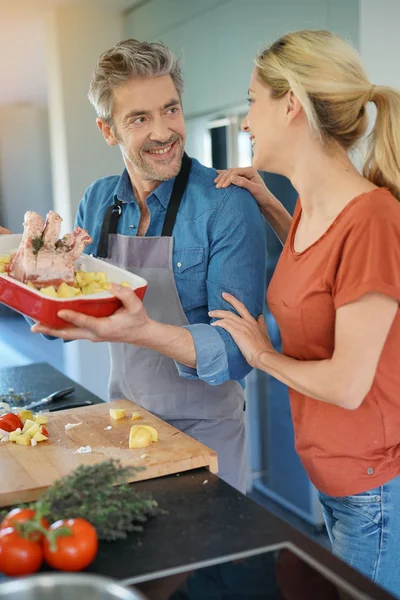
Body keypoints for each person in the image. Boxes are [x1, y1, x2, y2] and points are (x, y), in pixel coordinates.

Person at [211, 29, 400, 597]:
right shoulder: (312, 207)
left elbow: (346, 385)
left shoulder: (371, 219)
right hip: (338, 483)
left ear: (290, 103)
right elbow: (319, 284)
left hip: (373, 494)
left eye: (250, 100)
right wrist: (271, 205)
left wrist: (262, 356)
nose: (245, 121)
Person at [32, 39, 267, 493]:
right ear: (108, 131)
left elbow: (240, 353)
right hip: (124, 420)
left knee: (206, 564)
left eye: (171, 109)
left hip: (207, 436)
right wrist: (29, 272)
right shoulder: (97, 200)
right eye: (140, 118)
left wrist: (141, 331)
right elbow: (78, 296)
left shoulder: (226, 206)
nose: (163, 131)